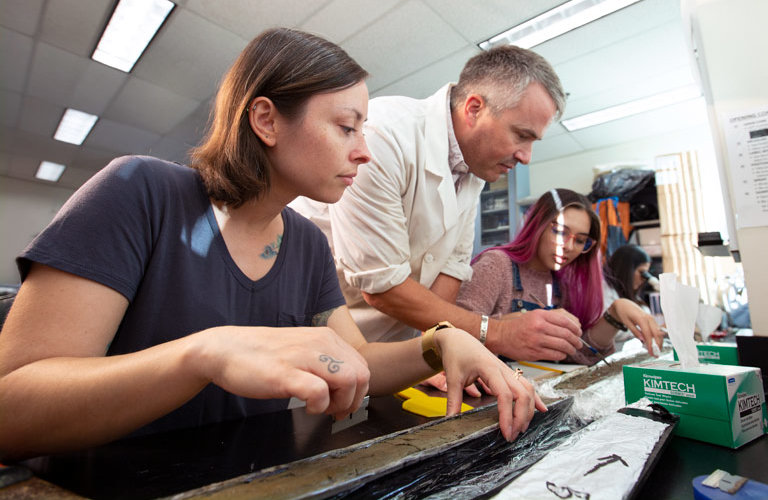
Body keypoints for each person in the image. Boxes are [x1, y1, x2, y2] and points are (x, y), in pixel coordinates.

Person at [0, 29, 541, 462]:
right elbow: (13, 408)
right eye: (347, 128)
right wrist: (204, 354)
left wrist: (439, 344)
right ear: (265, 120)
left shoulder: (304, 241)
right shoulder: (138, 193)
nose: (365, 153)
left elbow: (357, 363)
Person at [291, 45, 584, 377]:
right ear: (474, 108)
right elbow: (382, 288)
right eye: (521, 135)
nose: (526, 156)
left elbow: (451, 268)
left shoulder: (474, 169)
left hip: (391, 352)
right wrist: (497, 332)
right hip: (325, 339)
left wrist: (435, 352)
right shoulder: (384, 136)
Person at [457, 189, 664, 365]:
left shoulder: (561, 282)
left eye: (581, 240)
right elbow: (449, 334)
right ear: (537, 225)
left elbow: (579, 356)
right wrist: (506, 327)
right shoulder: (497, 265)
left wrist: (614, 315)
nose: (569, 246)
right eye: (559, 231)